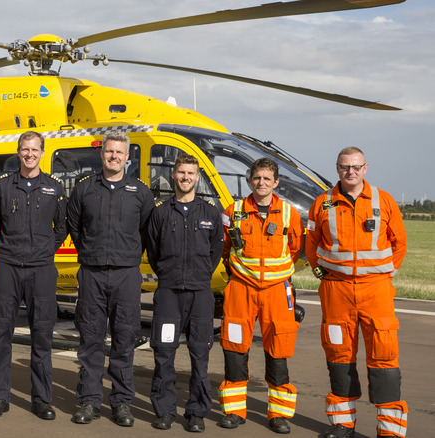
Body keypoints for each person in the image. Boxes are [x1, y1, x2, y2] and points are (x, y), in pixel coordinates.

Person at [306, 147, 407, 438]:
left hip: (375, 290)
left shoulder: (384, 200)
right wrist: (319, 272)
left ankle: (389, 430)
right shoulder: (322, 203)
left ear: (365, 168)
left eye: (356, 167)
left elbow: (399, 243)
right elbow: (311, 242)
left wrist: (386, 275)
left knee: (384, 356)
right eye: (344, 167)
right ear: (337, 169)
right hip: (336, 290)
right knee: (339, 355)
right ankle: (342, 424)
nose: (350, 172)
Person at [66, 130, 154, 427]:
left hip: (126, 275)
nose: (114, 156)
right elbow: (76, 227)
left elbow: (146, 232)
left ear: (127, 157)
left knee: (124, 340)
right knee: (90, 340)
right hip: (91, 273)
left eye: (119, 152)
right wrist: (91, 252)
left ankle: (121, 403)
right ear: (101, 154)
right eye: (109, 151)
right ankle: (89, 401)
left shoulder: (141, 193)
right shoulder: (84, 189)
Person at [0, 131, 67, 420]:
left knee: (42, 336)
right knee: (0, 333)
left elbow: (62, 229)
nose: (29, 154)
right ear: (18, 152)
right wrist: (9, 249)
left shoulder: (54, 188)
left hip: (41, 269)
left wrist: (43, 251)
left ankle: (42, 399)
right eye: (24, 149)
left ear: (42, 153)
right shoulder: (2, 187)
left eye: (34, 149)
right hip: (7, 267)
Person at [218, 157, 303, 434]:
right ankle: (233, 411)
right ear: (249, 180)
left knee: (278, 350)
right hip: (241, 288)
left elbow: (295, 248)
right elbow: (224, 245)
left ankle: (278, 415)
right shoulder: (234, 210)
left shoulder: (290, 214)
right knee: (234, 348)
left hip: (278, 290)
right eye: (257, 178)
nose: (261, 183)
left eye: (267, 179)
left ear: (276, 182)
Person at [145, 153, 223, 432]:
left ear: (197, 177)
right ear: (174, 175)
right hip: (169, 294)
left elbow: (215, 253)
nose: (186, 178)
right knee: (164, 352)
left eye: (191, 173)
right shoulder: (161, 213)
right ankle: (165, 410)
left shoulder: (211, 214)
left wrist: (199, 275)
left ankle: (197, 412)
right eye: (181, 173)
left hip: (200, 295)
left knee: (200, 354)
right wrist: (170, 274)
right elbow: (153, 252)